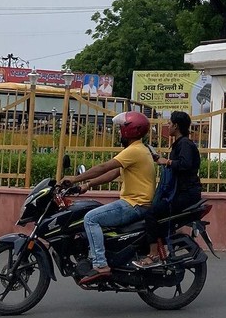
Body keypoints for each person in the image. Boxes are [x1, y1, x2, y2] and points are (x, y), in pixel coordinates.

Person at [61, 109, 156, 284]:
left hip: (134, 205)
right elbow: (112, 173)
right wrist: (87, 185)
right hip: (135, 203)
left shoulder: (134, 150)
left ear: (130, 130)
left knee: (90, 218)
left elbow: (104, 167)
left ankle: (100, 264)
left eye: (121, 129)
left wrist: (75, 178)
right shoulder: (140, 149)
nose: (119, 132)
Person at [133, 110, 202, 269]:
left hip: (186, 194)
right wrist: (160, 159)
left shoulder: (185, 143)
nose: (167, 125)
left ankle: (153, 255)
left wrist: (167, 162)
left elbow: (185, 165)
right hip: (180, 192)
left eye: (170, 123)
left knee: (151, 213)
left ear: (176, 126)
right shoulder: (179, 144)